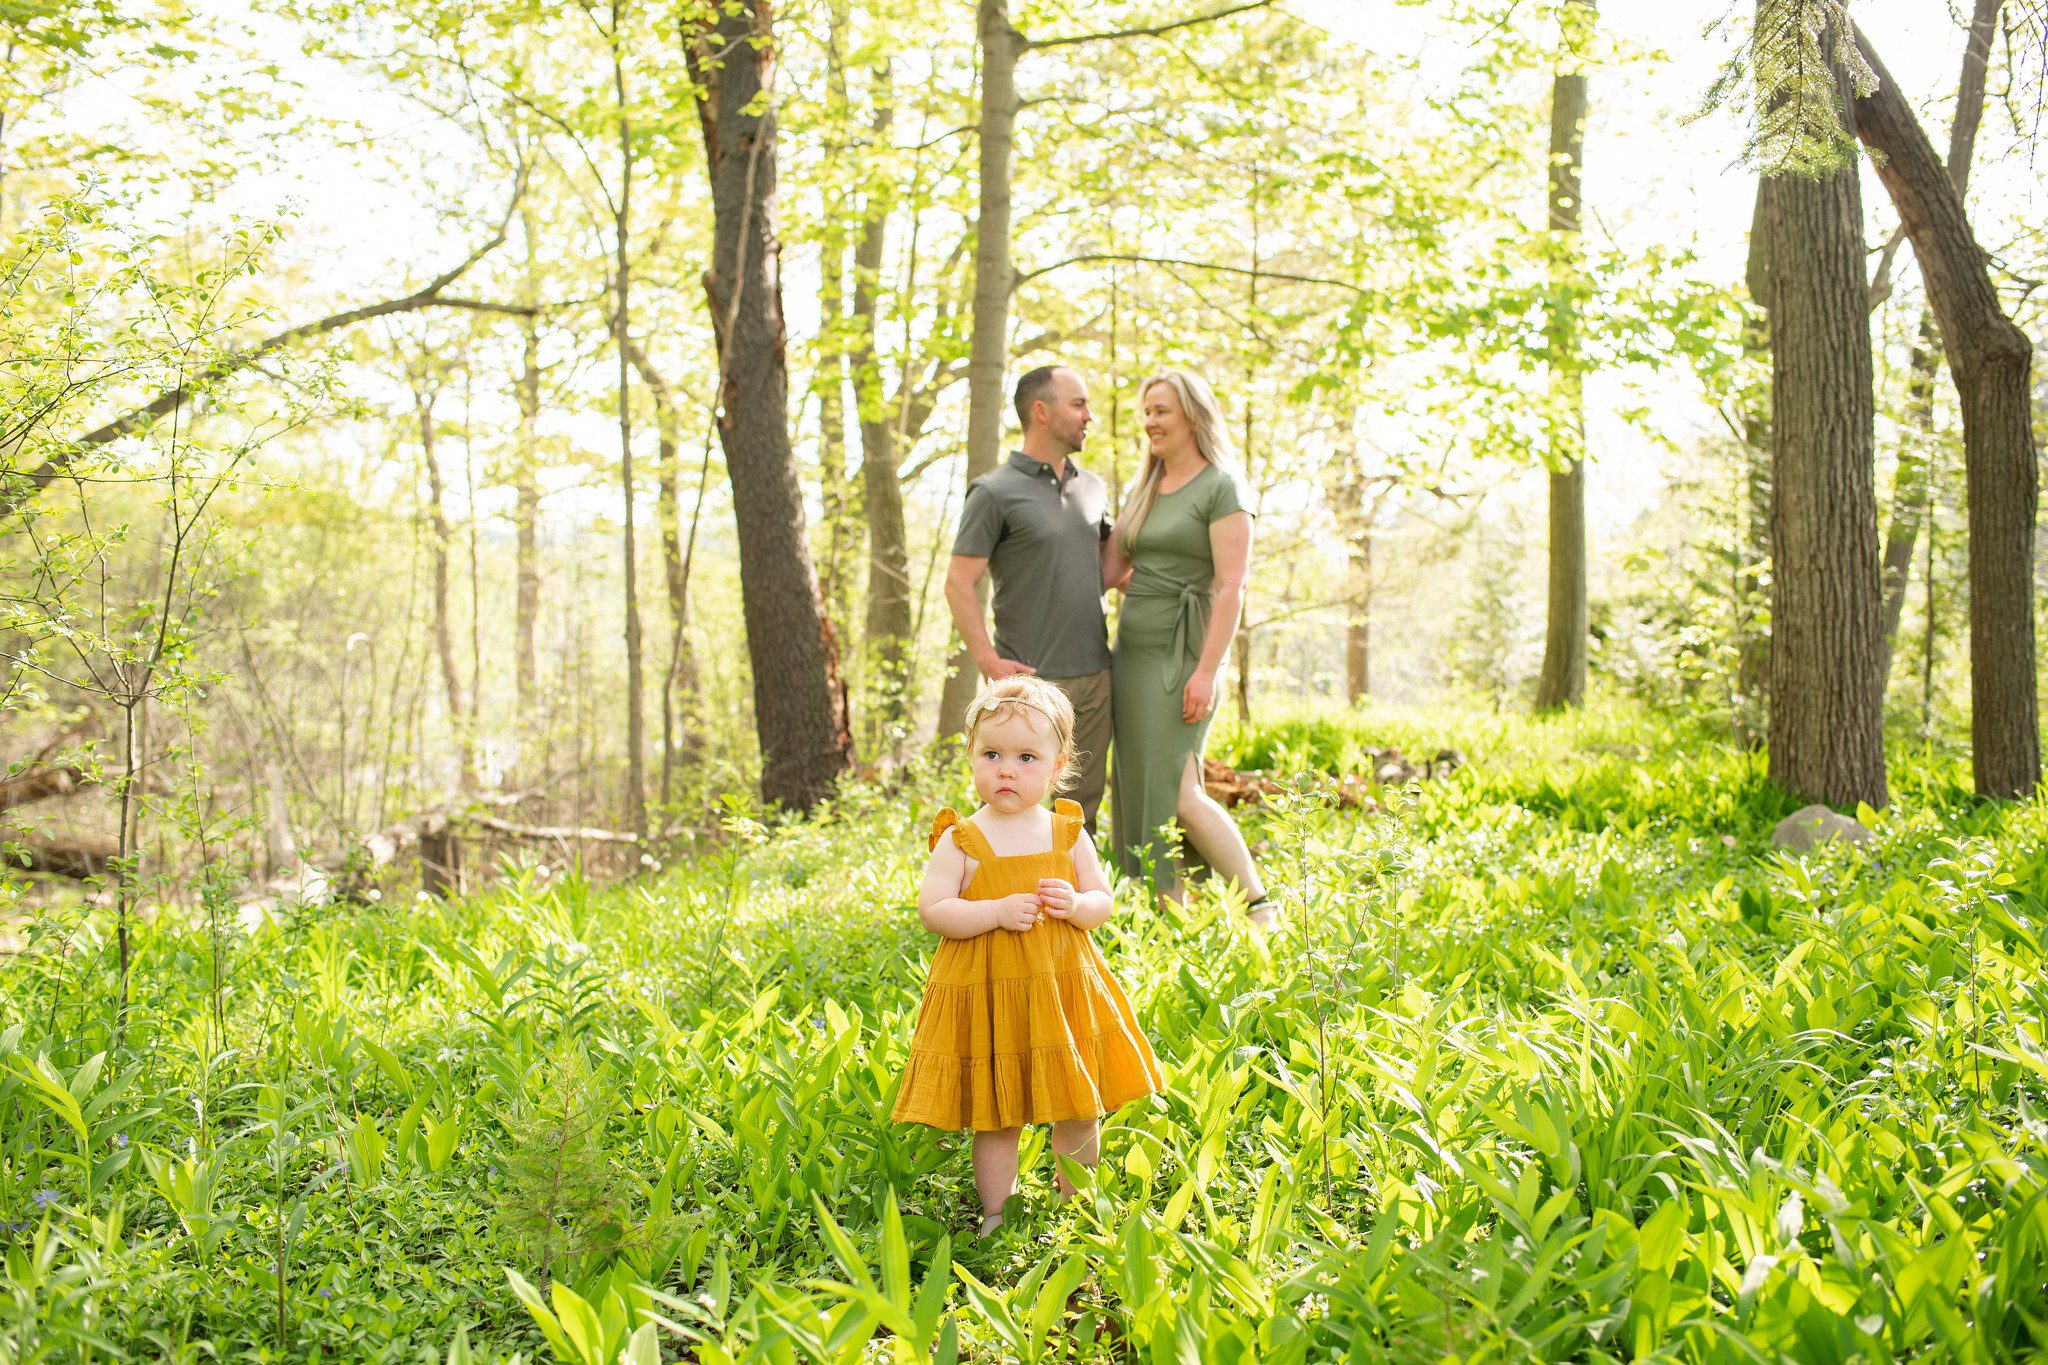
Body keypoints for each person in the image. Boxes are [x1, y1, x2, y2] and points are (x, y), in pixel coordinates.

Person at [891, 676, 1163, 1236]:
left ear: (1057, 764)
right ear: (971, 757)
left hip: (1060, 988)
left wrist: (1076, 904)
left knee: (1076, 1103)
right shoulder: (961, 838)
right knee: (997, 1113)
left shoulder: (1066, 833)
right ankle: (998, 1210)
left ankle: (1077, 1206)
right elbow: (934, 909)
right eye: (991, 754)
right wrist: (990, 912)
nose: (1006, 769)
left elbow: (1102, 901)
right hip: (992, 991)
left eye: (1025, 757)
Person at [1104, 371, 1275, 929]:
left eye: (1161, 411)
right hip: (1131, 654)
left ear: (1192, 415)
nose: (1149, 421)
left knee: (1179, 791)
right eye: (1146, 411)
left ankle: (1257, 905)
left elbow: (1231, 587)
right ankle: (1166, 909)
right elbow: (1116, 569)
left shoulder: (1223, 486)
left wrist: (1207, 670)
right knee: (1137, 784)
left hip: (1186, 658)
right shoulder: (1147, 485)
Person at [944, 366, 1114, 835]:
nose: (1089, 415)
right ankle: (1005, 904)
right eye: (1078, 404)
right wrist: (987, 660)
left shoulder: (1093, 487)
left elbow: (1112, 569)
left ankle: (1075, 908)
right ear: (1041, 411)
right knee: (1014, 810)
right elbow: (959, 582)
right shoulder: (994, 491)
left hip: (1095, 676)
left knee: (1081, 815)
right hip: (1029, 684)